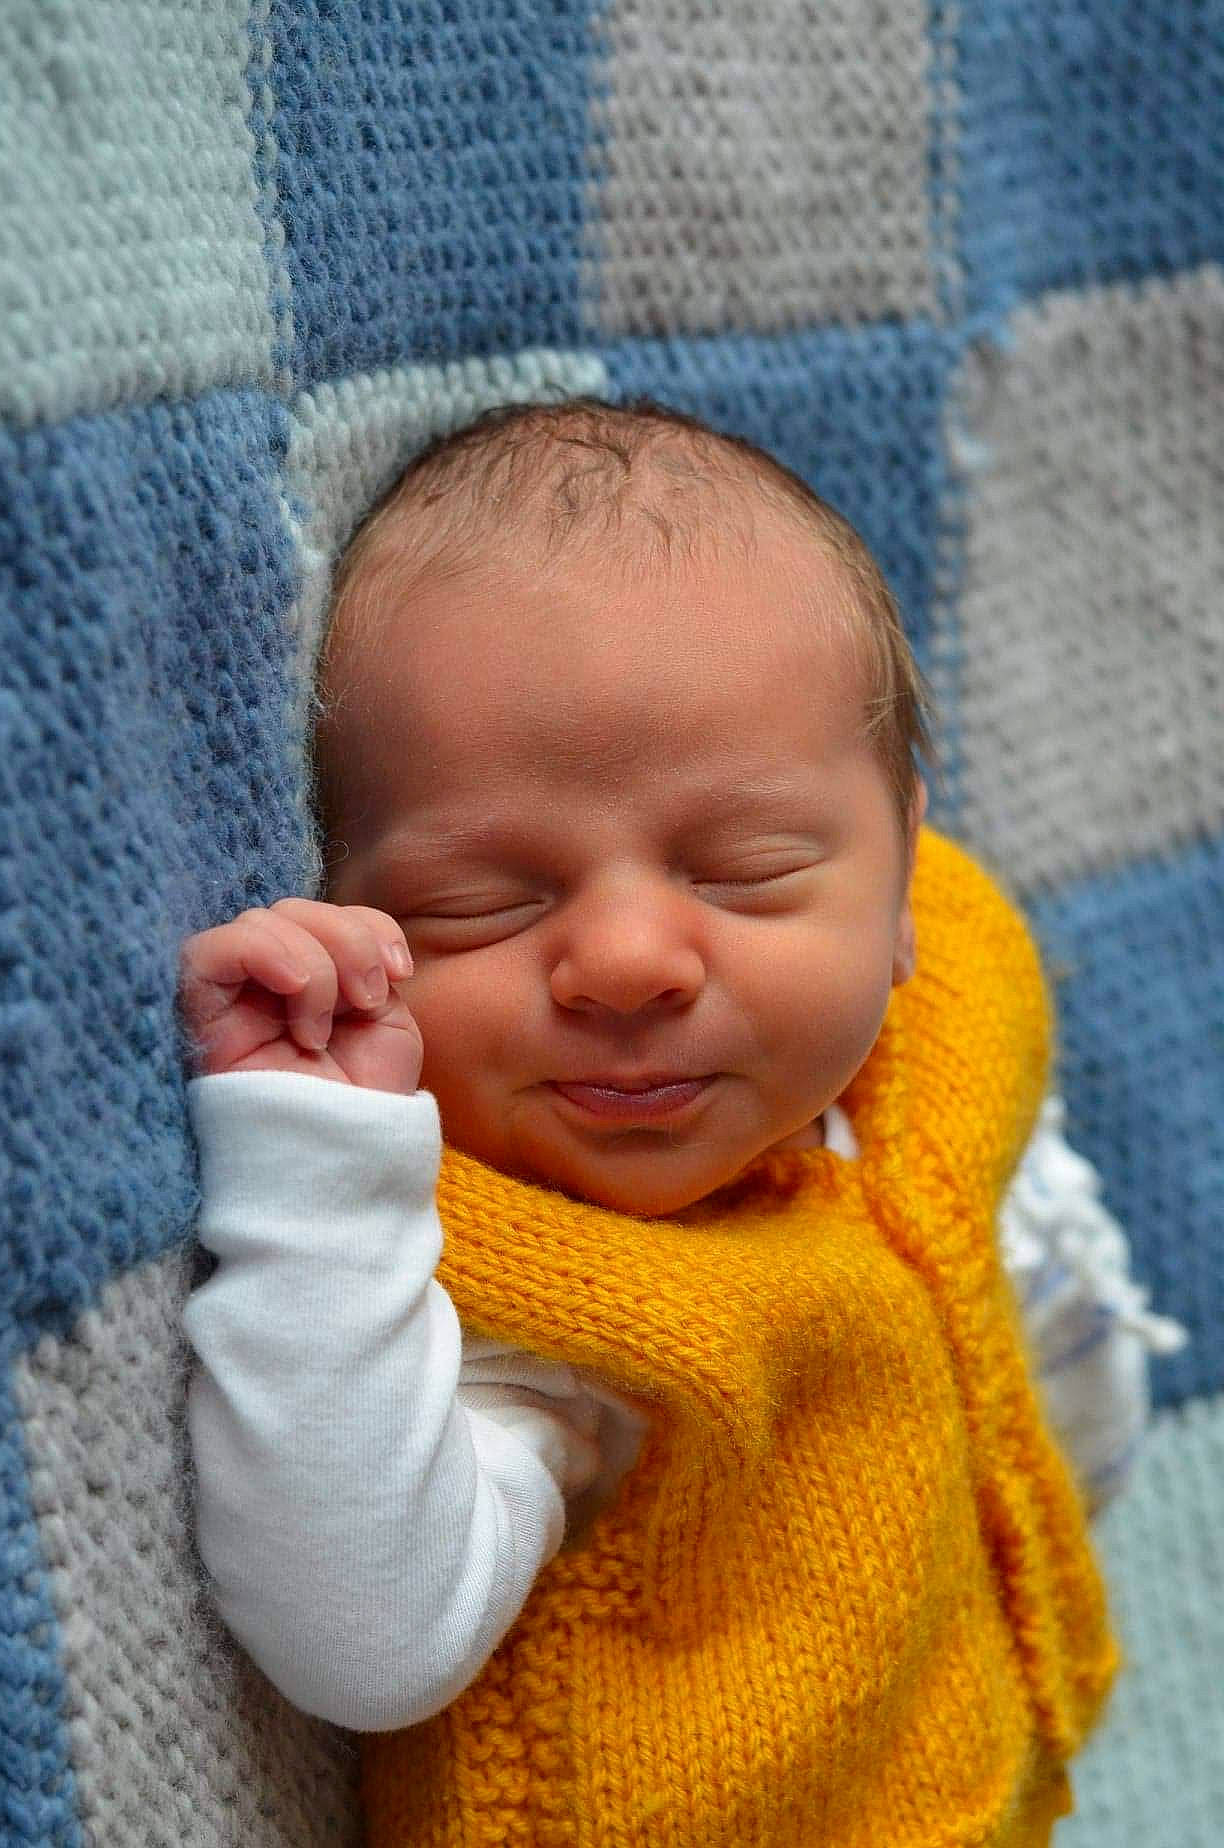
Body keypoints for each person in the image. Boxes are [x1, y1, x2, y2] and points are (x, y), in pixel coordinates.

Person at [179, 400, 1184, 1845]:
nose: (630, 961)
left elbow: (1019, 1303)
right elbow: (368, 1643)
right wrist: (316, 1177)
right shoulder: (512, 1305)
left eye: (745, 870)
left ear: (902, 874)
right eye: (481, 904)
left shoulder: (935, 1036)